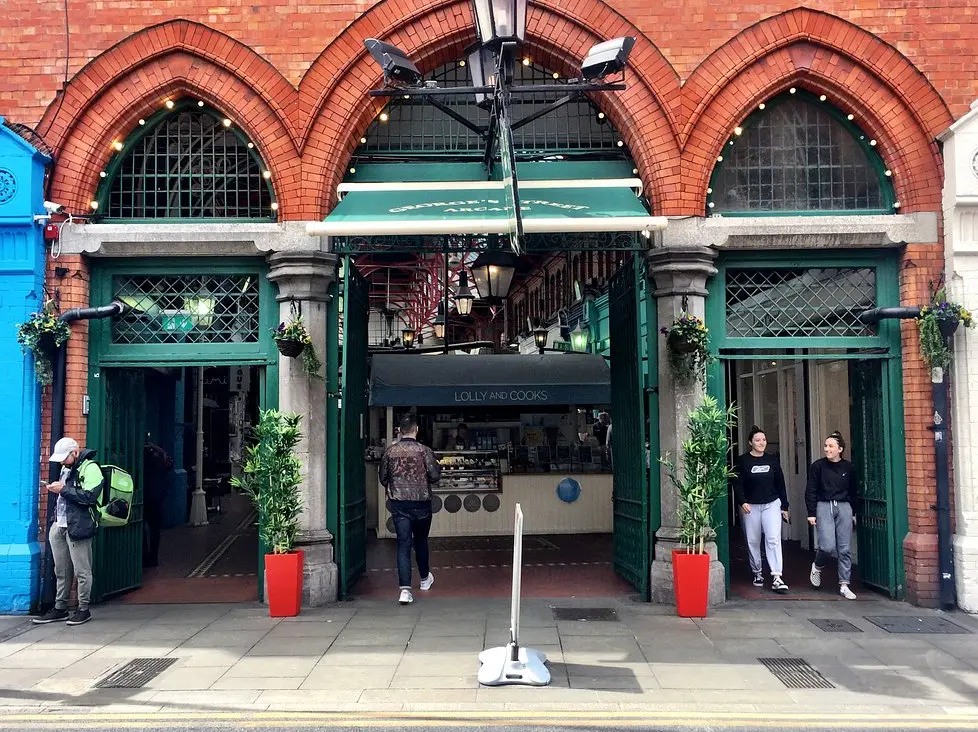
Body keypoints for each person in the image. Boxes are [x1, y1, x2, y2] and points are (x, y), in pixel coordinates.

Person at [33, 437, 104, 626]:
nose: (62, 462)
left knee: (82, 570)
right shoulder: (67, 468)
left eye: (65, 458)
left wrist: (63, 489)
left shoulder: (91, 469)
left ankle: (83, 609)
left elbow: (89, 496)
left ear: (75, 452)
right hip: (60, 524)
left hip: (79, 525)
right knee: (61, 570)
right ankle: (60, 607)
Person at [379, 413, 441, 605]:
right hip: (421, 503)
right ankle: (424, 580)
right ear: (416, 429)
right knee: (421, 541)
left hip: (399, 504)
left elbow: (383, 477)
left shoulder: (390, 452)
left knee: (403, 545)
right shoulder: (424, 451)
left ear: (399, 431)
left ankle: (405, 590)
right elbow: (434, 475)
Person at [733, 426, 790, 594]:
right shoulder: (743, 461)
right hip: (751, 506)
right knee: (753, 540)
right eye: (757, 440)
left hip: (771, 503)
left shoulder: (772, 460)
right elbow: (737, 483)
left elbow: (780, 483)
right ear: (750, 442)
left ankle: (777, 575)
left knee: (773, 538)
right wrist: (742, 501)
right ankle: (757, 572)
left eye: (763, 440)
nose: (761, 443)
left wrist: (784, 506)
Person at [806, 430, 859, 600]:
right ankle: (818, 565)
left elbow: (853, 491)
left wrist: (853, 512)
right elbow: (811, 490)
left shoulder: (848, 467)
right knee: (827, 546)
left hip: (844, 506)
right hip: (824, 505)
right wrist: (811, 512)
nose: (827, 449)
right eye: (825, 446)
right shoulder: (817, 466)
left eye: (831, 446)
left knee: (844, 548)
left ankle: (844, 584)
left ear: (840, 449)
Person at [143, 441, 173, 569]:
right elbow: (169, 463)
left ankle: (144, 556)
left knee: (141, 527)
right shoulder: (161, 463)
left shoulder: (143, 462)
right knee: (155, 529)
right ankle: (153, 557)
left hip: (144, 497)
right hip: (157, 498)